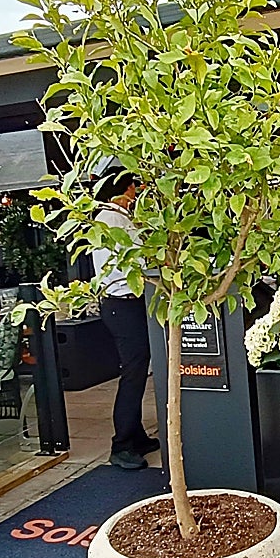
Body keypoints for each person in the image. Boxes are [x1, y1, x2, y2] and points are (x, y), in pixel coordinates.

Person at [92, 171, 159, 471]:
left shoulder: (114, 218)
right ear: (125, 189)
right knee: (133, 374)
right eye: (134, 188)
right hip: (124, 305)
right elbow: (138, 262)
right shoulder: (113, 220)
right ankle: (121, 446)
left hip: (124, 305)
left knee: (138, 371)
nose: (136, 195)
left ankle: (136, 435)